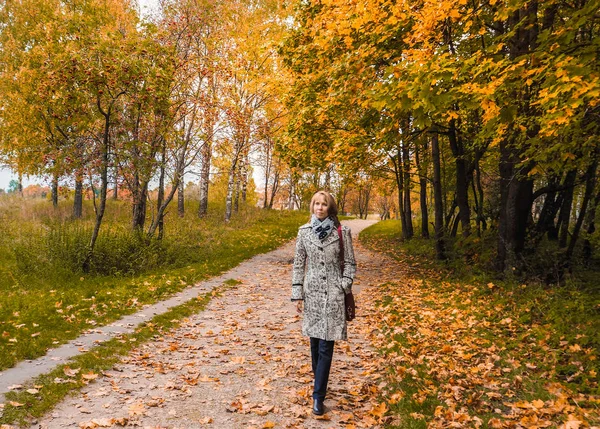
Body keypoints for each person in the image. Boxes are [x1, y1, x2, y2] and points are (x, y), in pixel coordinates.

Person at [291, 190, 356, 416]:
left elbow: (349, 263)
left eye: (324, 204)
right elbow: (299, 264)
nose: (319, 208)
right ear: (312, 206)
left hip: (333, 296)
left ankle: (318, 396)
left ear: (330, 208)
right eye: (316, 204)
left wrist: (343, 285)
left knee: (326, 345)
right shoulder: (304, 232)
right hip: (312, 296)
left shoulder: (342, 232)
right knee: (315, 344)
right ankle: (320, 383)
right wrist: (297, 293)